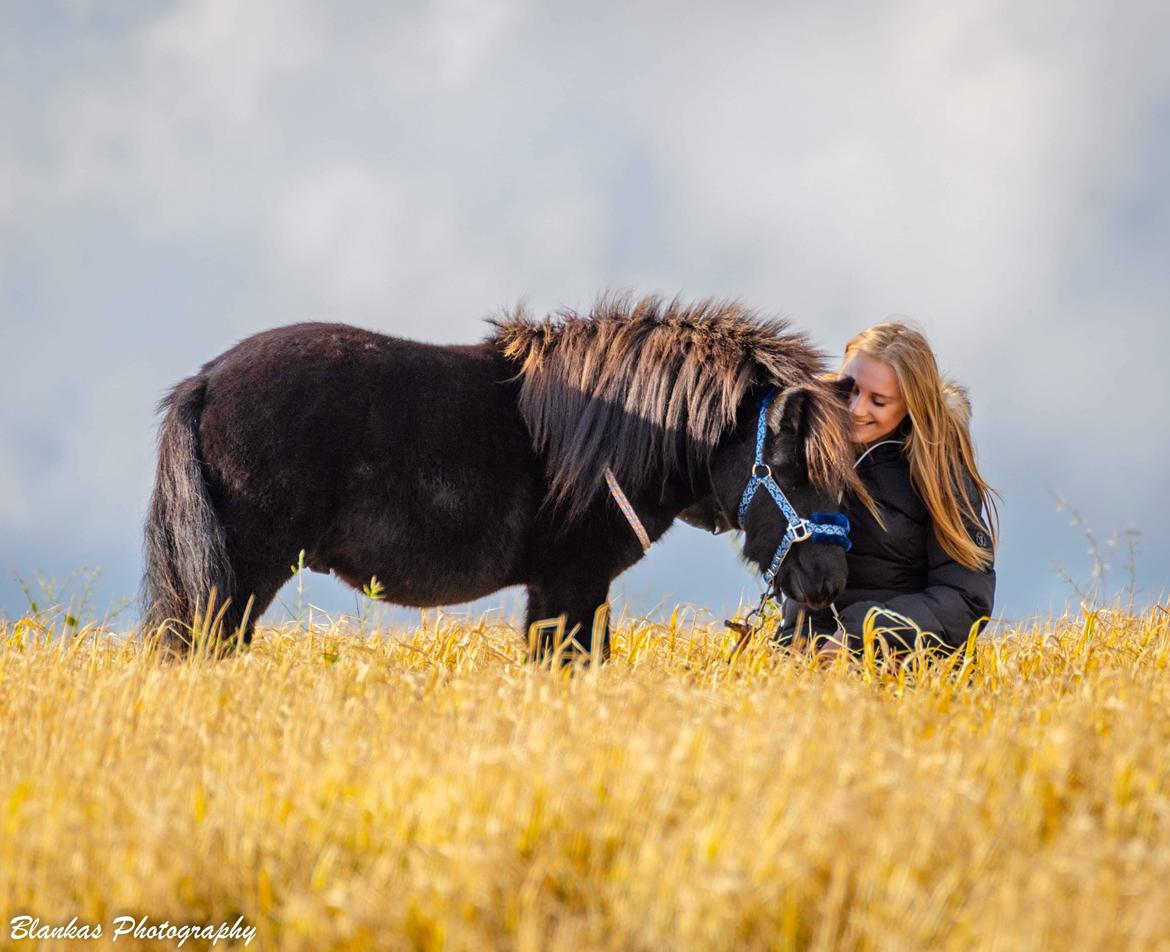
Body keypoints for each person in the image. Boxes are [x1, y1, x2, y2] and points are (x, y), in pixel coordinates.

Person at [775, 321, 999, 658]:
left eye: (878, 401)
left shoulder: (940, 469)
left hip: (903, 669)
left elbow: (965, 599)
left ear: (911, 405)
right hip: (800, 658)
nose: (856, 409)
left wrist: (864, 633)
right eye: (849, 389)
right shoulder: (801, 441)